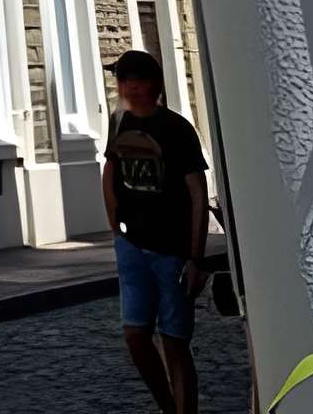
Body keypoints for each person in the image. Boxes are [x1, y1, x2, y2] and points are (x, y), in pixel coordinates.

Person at [104, 47, 209, 413]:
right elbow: (111, 167)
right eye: (124, 82)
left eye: (138, 82)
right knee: (135, 334)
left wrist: (196, 257)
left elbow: (197, 191)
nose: (130, 90)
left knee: (174, 340)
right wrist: (113, 220)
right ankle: (167, 406)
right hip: (131, 243)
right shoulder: (119, 123)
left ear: (154, 86)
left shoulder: (176, 129)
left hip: (172, 246)